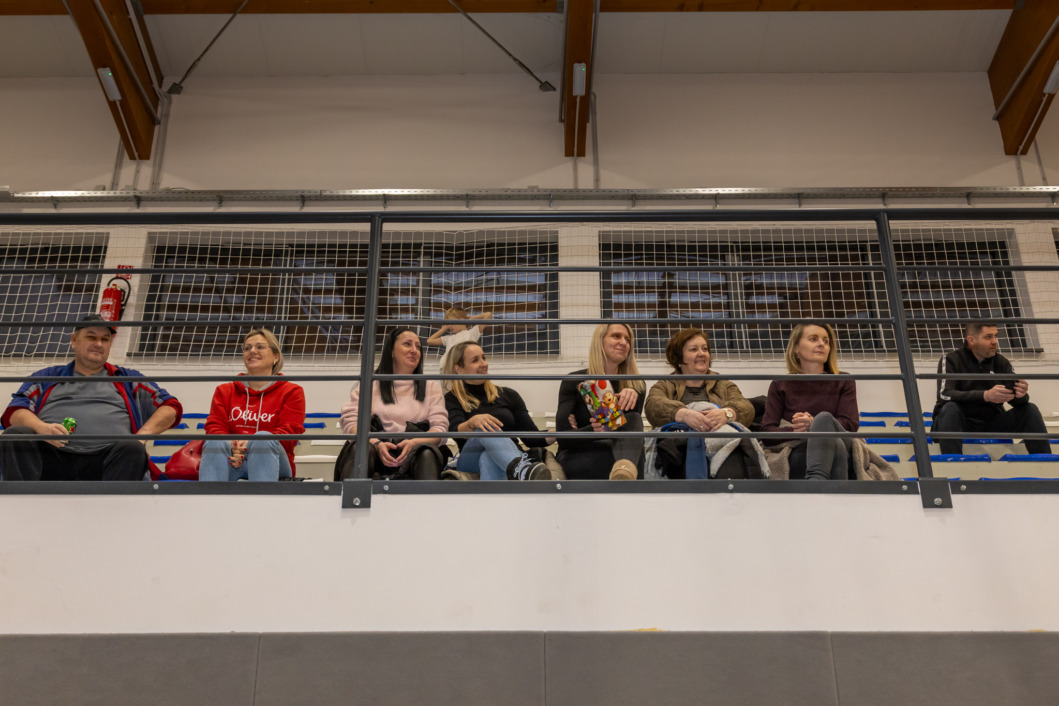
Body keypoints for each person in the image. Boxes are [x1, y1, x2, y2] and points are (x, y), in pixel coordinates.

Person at [0, 314, 182, 481]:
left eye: (105, 339)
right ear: (74, 340)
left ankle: (114, 506)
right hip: (51, 458)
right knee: (15, 435)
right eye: (91, 337)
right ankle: (24, 501)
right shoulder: (46, 377)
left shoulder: (128, 378)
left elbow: (170, 406)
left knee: (133, 448)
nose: (99, 344)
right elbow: (15, 412)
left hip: (110, 462)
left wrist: (140, 438)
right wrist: (42, 428)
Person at [644, 328, 761, 479]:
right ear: (679, 357)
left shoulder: (722, 383)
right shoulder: (665, 384)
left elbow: (745, 406)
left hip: (721, 445)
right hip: (682, 449)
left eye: (705, 349)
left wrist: (727, 413)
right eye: (694, 349)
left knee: (733, 463)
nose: (702, 353)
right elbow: (653, 405)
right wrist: (684, 415)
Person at [339, 327, 447, 480]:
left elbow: (440, 430)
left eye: (418, 347)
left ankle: (427, 497)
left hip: (415, 454)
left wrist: (414, 443)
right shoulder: (369, 385)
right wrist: (376, 444)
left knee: (427, 453)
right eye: (407, 344)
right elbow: (351, 423)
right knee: (361, 448)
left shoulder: (431, 387)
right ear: (391, 351)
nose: (414, 350)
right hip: (375, 451)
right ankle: (352, 495)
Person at [200, 328, 305, 481]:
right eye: (247, 348)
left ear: (276, 356)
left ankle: (262, 497)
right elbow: (215, 428)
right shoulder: (224, 390)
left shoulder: (292, 391)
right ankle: (209, 496)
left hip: (273, 462)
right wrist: (234, 446)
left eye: (260, 347)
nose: (252, 351)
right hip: (233, 460)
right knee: (215, 443)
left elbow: (289, 435)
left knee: (263, 438)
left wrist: (249, 446)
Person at [932, 322, 1050, 455]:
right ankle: (952, 462)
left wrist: (1021, 395)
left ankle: (1045, 460)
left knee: (1030, 409)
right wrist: (985, 395)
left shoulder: (1001, 361)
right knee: (950, 408)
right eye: (988, 337)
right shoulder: (951, 359)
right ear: (971, 340)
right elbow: (945, 394)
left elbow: (1018, 402)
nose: (994, 341)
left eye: (995, 336)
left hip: (991, 423)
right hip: (958, 423)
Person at [760, 322, 858, 480]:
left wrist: (815, 424)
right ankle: (822, 485)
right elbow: (766, 432)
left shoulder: (844, 380)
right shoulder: (780, 383)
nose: (821, 344)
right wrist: (797, 430)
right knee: (834, 447)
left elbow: (850, 425)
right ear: (796, 348)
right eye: (813, 339)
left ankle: (815, 483)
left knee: (824, 420)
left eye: (826, 341)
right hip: (802, 447)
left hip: (843, 441)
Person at [443, 341, 550, 480]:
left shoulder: (509, 394)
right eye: (475, 360)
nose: (483, 364)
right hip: (470, 459)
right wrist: (472, 423)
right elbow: (455, 430)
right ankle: (521, 469)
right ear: (459, 369)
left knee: (488, 457)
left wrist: (560, 431)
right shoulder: (451, 399)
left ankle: (518, 470)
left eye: (484, 358)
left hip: (509, 456)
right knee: (484, 425)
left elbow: (531, 438)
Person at [555, 323, 646, 480]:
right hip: (582, 455)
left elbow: (631, 435)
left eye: (628, 339)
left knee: (634, 419)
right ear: (600, 341)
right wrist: (592, 430)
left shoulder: (637, 386)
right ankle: (623, 473)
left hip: (622, 458)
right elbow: (563, 439)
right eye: (616, 336)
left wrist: (632, 397)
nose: (623, 343)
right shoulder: (574, 380)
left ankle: (623, 471)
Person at [426, 306, 492, 358]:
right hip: (448, 368)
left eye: (451, 322)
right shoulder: (449, 338)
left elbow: (488, 315)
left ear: (461, 320)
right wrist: (443, 329)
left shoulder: (472, 333)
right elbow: (429, 341)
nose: (449, 326)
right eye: (448, 323)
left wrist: (473, 317)